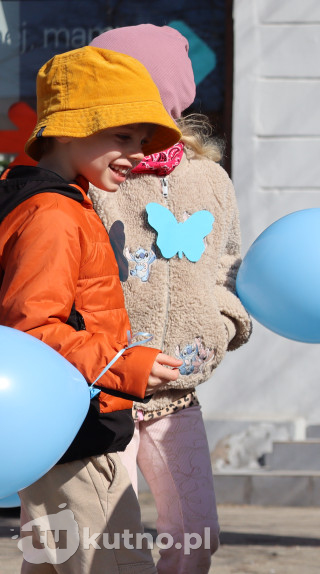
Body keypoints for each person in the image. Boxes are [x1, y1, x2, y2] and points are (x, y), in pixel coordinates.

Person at [0, 46, 184, 573]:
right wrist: (129, 365)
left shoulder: (39, 198)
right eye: (121, 137)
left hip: (47, 434)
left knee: (51, 567)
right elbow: (31, 329)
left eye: (142, 142)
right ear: (67, 130)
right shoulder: (53, 213)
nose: (136, 154)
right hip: (76, 435)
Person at [86, 25, 253, 574]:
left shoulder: (209, 179)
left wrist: (222, 324)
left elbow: (227, 264)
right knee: (103, 540)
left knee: (197, 533)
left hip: (176, 396)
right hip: (103, 392)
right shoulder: (95, 178)